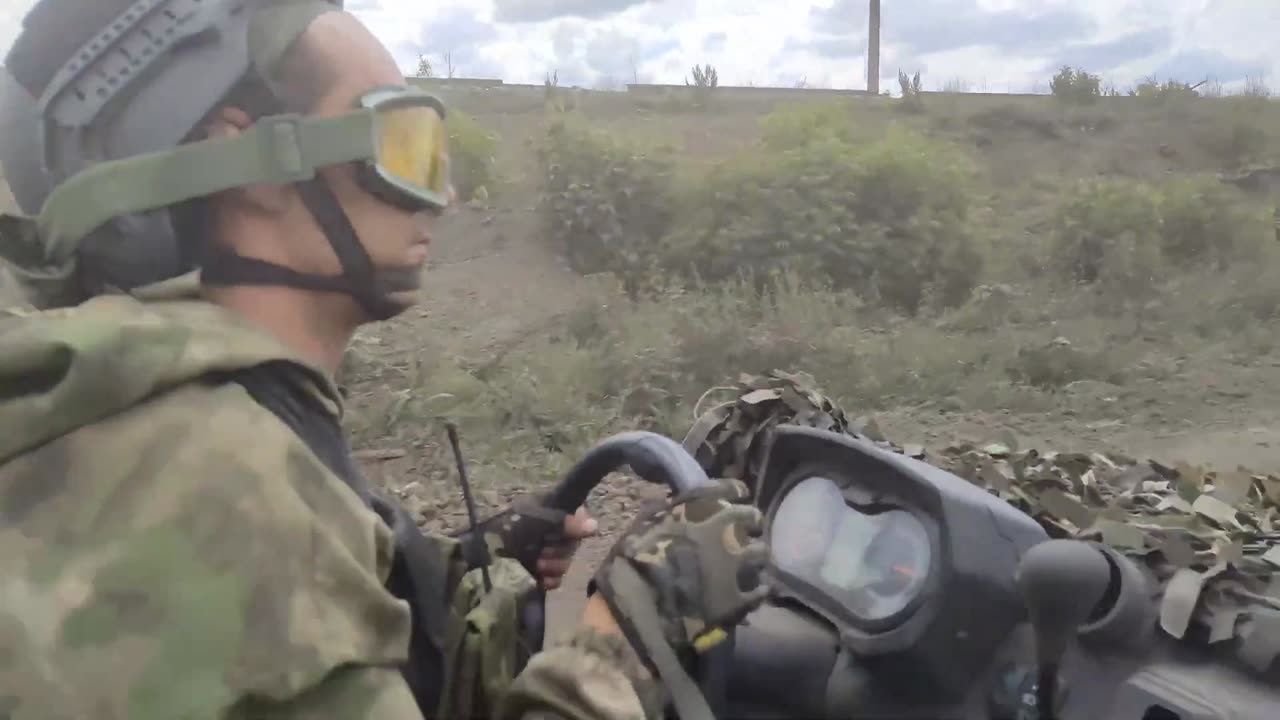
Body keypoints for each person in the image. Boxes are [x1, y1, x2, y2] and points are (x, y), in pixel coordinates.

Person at [0, 1, 769, 718]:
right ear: (250, 166)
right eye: (409, 147)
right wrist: (620, 643)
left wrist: (457, 571)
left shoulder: (172, 424)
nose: (445, 196)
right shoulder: (217, 485)